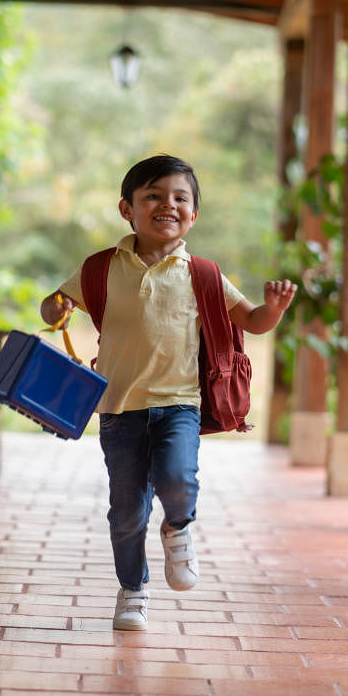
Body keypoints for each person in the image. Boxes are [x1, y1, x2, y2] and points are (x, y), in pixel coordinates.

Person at [39, 154, 297, 631]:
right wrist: (55, 307)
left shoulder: (202, 273)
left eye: (180, 198)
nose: (168, 205)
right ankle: (133, 589)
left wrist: (275, 308)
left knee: (179, 480)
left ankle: (178, 527)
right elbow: (54, 307)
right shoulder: (101, 267)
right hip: (119, 408)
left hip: (180, 403)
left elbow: (253, 321)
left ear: (194, 215)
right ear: (127, 209)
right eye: (153, 196)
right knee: (126, 511)